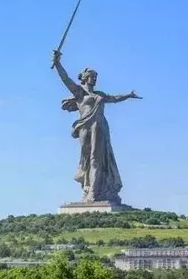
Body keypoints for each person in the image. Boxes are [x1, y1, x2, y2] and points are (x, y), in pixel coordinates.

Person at [52, 50, 141, 203]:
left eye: (96, 77)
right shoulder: (79, 92)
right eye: (92, 77)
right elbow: (65, 79)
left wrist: (128, 95)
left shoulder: (100, 94)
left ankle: (93, 192)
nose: (94, 79)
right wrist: (57, 63)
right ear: (85, 78)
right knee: (86, 159)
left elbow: (114, 98)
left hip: (99, 126)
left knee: (95, 159)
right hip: (84, 126)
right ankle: (87, 188)